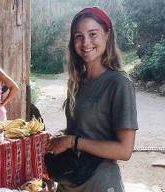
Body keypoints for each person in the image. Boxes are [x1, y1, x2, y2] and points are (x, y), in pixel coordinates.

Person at [46, 7, 138, 192]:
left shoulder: (119, 83)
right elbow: (83, 129)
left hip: (99, 182)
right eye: (78, 36)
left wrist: (73, 141)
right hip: (69, 179)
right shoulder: (77, 81)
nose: (85, 42)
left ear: (107, 35)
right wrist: (61, 138)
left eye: (93, 34)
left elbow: (124, 151)